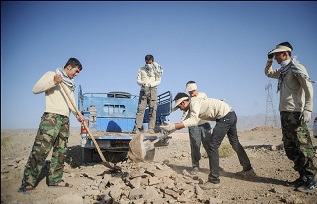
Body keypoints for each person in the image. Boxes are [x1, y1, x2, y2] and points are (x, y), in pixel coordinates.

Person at [160, 92, 255, 189]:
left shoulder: (194, 104)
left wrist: (174, 125)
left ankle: (214, 181)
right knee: (234, 143)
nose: (180, 109)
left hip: (225, 118)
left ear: (184, 102)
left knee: (212, 146)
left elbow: (193, 120)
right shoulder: (194, 105)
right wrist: (173, 127)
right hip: (231, 114)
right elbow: (188, 120)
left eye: (179, 106)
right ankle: (248, 170)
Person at [18, 58, 85, 193]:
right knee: (41, 149)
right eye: (76, 71)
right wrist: (53, 81)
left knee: (61, 151)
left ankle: (55, 180)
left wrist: (77, 114)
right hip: (51, 117)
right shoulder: (52, 74)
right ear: (69, 67)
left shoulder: (70, 83)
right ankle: (27, 182)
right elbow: (35, 89)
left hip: (65, 119)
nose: (77, 74)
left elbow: (70, 101)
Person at [265, 42, 316, 192]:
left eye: (277, 55)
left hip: (296, 113)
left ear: (285, 53)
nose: (275, 57)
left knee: (303, 147)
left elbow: (309, 88)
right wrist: (268, 61)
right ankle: (303, 177)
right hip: (285, 113)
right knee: (291, 147)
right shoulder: (282, 71)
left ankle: (311, 179)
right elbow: (268, 73)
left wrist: (308, 109)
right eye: (274, 55)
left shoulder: (296, 68)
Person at [182, 81, 211, 175]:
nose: (191, 93)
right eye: (189, 91)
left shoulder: (203, 95)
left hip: (205, 124)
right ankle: (195, 167)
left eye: (192, 91)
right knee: (195, 146)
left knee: (210, 146)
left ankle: (214, 165)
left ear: (195, 88)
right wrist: (180, 123)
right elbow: (185, 113)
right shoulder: (188, 100)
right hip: (194, 126)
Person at [133, 54, 163, 134]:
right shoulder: (141, 69)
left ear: (152, 61)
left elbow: (158, 81)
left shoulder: (157, 69)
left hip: (153, 90)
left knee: (153, 109)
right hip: (143, 90)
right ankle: (137, 128)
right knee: (141, 109)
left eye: (150, 62)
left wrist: (151, 84)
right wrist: (142, 83)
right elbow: (138, 80)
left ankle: (151, 128)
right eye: (147, 62)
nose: (149, 63)